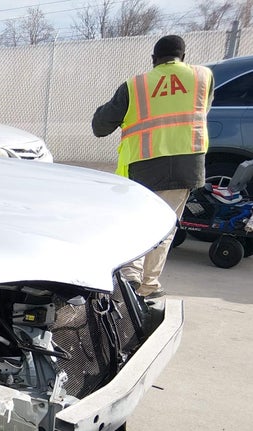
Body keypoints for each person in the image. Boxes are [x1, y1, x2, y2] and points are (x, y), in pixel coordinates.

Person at [92, 34, 214, 300]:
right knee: (164, 227)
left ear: (153, 59)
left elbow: (100, 127)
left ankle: (130, 276)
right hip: (186, 164)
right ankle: (148, 285)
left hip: (143, 166)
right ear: (183, 56)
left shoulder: (135, 86)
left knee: (134, 222)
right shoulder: (203, 77)